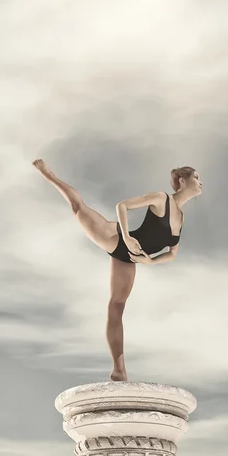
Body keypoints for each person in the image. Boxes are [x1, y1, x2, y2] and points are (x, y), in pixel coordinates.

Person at [32, 159, 203, 382]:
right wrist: (128, 237)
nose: (201, 182)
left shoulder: (180, 217)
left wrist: (150, 262)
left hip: (129, 258)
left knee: (117, 305)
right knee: (79, 207)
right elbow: (122, 205)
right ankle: (49, 175)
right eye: (197, 177)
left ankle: (119, 370)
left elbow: (173, 253)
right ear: (183, 180)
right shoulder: (163, 199)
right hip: (115, 239)